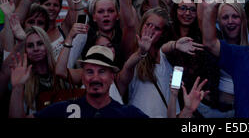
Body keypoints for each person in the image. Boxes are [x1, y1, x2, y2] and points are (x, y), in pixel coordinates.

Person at [9, 45, 148, 118]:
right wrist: (17, 88)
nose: (95, 78)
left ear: (112, 77)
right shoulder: (63, 109)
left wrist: (171, 94)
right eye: (89, 71)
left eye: (102, 71)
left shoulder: (127, 113)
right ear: (82, 77)